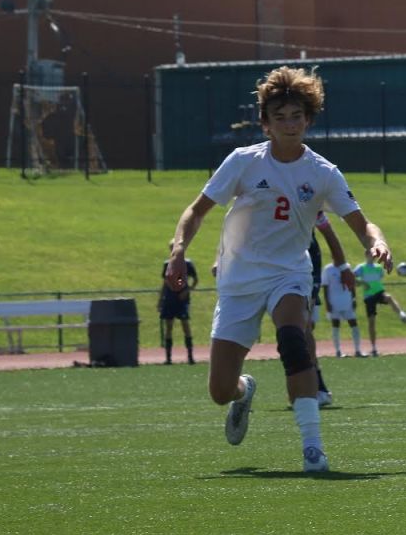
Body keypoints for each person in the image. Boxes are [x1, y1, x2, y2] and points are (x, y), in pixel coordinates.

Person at [165, 66, 393, 474]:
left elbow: (361, 223)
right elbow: (195, 212)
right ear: (265, 123)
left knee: (293, 338)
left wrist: (377, 242)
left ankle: (313, 448)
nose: (290, 124)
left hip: (289, 273)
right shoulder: (243, 163)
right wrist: (179, 248)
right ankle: (243, 392)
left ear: (309, 119)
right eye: (280, 117)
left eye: (297, 116)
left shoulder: (323, 172)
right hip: (238, 279)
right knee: (219, 390)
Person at [306, 210, 355, 407]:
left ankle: (315, 387)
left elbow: (328, 231)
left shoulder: (306, 192)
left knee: (302, 328)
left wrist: (343, 267)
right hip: (265, 263)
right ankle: (237, 389)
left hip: (304, 263)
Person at [353, 259, 406, 357]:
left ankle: (402, 314)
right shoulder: (361, 267)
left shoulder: (378, 267)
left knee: (388, 297)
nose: (370, 255)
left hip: (379, 292)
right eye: (368, 253)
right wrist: (363, 283)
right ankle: (374, 348)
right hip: (369, 296)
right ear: (366, 255)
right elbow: (353, 279)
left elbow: (379, 278)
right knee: (371, 322)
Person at [157, 241, 198, 365]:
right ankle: (168, 358)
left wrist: (187, 291)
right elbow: (165, 283)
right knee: (169, 327)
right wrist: (160, 300)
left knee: (185, 325)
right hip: (170, 299)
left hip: (182, 299)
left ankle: (190, 356)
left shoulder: (188, 264)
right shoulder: (167, 264)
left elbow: (195, 280)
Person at [321, 260, 363, 358]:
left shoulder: (346, 267)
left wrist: (353, 298)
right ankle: (338, 351)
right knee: (336, 325)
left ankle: (357, 350)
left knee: (354, 324)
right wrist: (327, 303)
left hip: (347, 300)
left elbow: (351, 283)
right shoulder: (328, 269)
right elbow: (325, 287)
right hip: (334, 301)